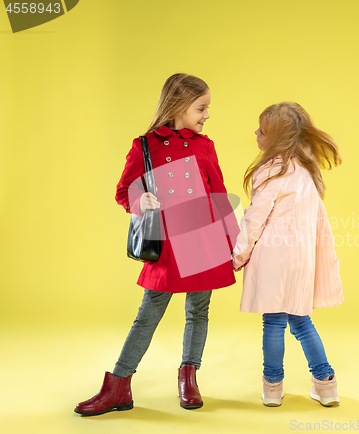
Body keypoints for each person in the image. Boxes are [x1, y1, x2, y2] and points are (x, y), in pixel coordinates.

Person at [75, 73, 238, 416]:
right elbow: (124, 190)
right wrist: (140, 200)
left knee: (199, 310)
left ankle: (188, 376)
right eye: (201, 108)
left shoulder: (204, 145)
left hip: (205, 238)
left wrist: (234, 241)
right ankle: (118, 385)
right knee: (148, 313)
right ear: (179, 106)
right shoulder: (145, 145)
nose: (206, 115)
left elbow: (219, 194)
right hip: (167, 243)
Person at [231, 102, 344, 407]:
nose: (256, 133)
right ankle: (326, 384)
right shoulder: (307, 171)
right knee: (302, 322)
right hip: (301, 260)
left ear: (277, 137)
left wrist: (239, 255)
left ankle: (272, 387)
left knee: (273, 323)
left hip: (272, 258)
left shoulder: (270, 171)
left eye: (262, 130)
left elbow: (255, 218)